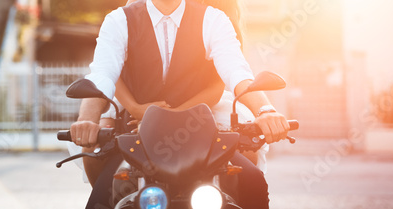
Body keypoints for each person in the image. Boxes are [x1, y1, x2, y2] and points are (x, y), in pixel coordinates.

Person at [70, 0, 290, 208]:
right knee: (101, 200)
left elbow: (237, 72)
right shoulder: (119, 20)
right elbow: (102, 75)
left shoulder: (213, 19)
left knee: (253, 181)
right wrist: (87, 120)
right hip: (137, 133)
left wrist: (265, 110)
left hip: (199, 130)